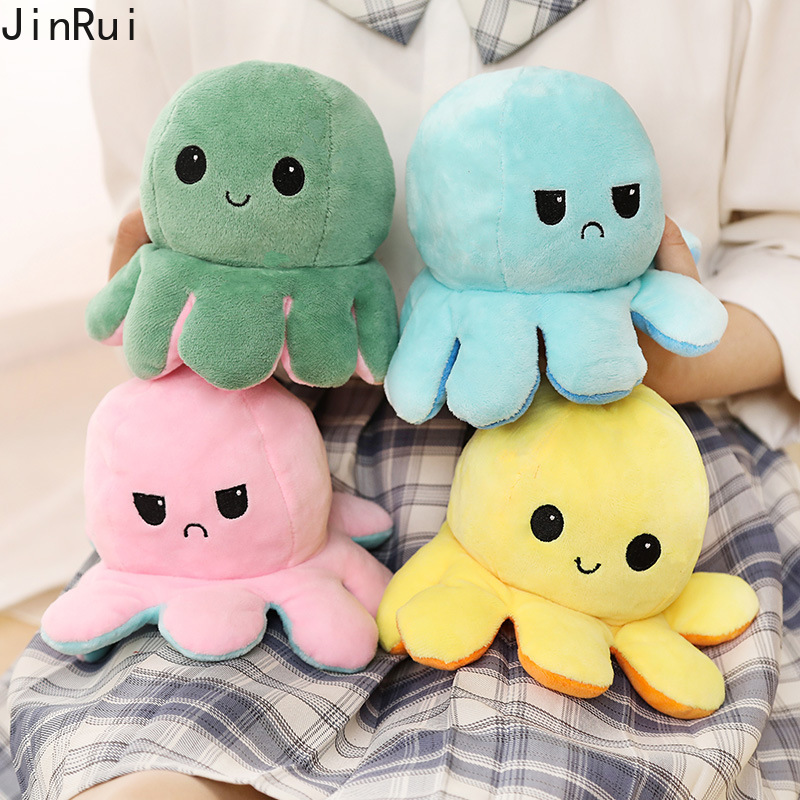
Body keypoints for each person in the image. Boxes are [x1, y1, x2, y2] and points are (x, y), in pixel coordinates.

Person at [5, 1, 800, 798]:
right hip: (268, 453)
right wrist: (204, 309)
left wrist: (627, 349)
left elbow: (785, 250)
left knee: (549, 763)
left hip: (617, 454)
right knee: (148, 767)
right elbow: (148, 224)